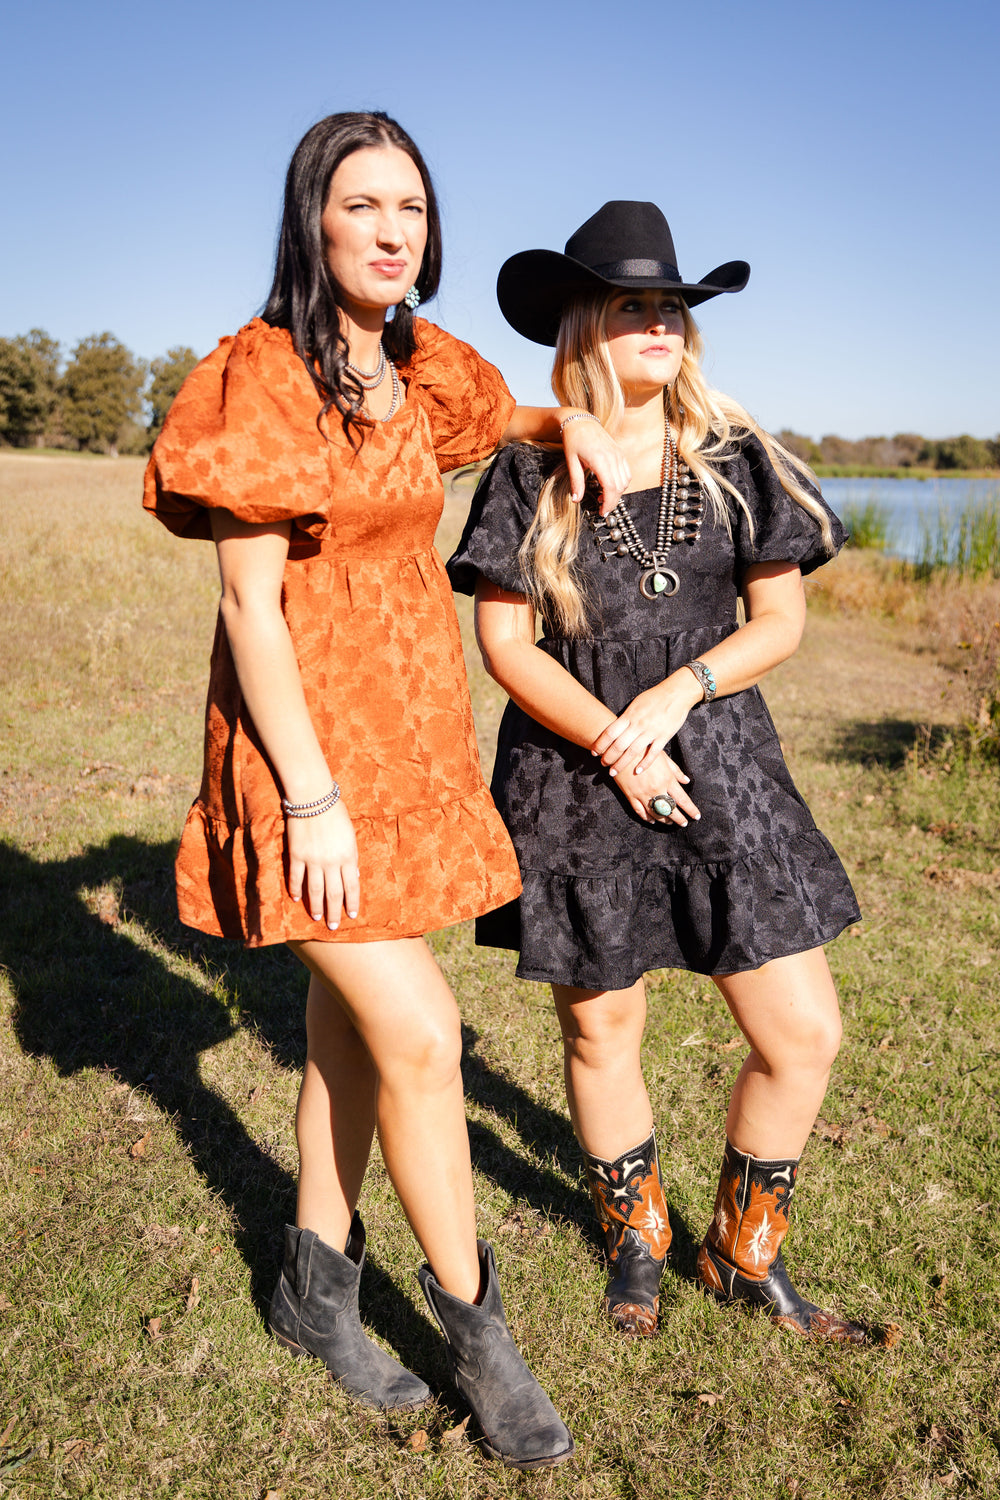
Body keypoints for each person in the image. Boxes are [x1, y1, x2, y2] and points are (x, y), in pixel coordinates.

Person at [144, 113, 631, 1470]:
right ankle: (476, 1330)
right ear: (314, 220)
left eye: (410, 205)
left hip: (410, 746)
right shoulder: (258, 375)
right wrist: (306, 800)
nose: (392, 227)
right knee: (420, 1038)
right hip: (303, 756)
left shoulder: (420, 368)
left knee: (347, 1030)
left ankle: (312, 1282)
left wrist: (570, 423)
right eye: (363, 204)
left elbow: (507, 411)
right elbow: (248, 605)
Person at [447, 200, 866, 1345]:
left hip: (720, 759)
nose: (659, 327)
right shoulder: (530, 465)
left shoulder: (738, 456)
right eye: (632, 307)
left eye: (671, 309)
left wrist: (677, 697)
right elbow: (503, 643)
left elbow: (776, 622)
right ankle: (637, 1239)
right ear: (584, 323)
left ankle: (741, 1254)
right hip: (572, 774)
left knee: (801, 1033)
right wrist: (612, 741)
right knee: (602, 1029)